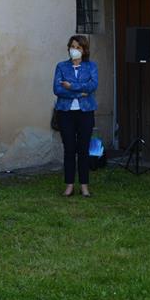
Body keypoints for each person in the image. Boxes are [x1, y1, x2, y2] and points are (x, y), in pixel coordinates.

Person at [53, 34, 98, 198]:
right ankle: (69, 185)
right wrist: (80, 92)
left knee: (83, 149)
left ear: (84, 50)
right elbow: (57, 89)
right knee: (69, 149)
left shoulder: (91, 66)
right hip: (65, 113)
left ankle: (84, 186)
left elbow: (92, 86)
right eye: (72, 47)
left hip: (85, 112)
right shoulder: (61, 66)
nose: (75, 50)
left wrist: (70, 86)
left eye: (78, 47)